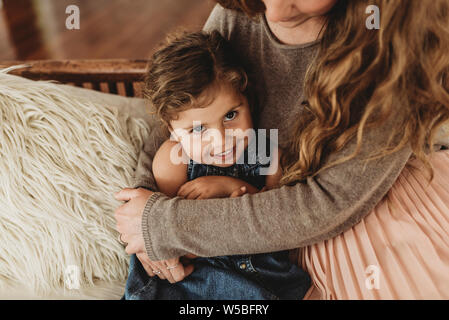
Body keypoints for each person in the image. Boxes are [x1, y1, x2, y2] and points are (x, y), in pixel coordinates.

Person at [114, 0, 449, 299]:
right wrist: (145, 210)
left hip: (342, 212)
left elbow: (325, 204)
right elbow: (177, 114)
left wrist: (171, 225)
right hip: (250, 228)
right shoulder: (238, 15)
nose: (270, 9)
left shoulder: (390, 53)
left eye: (232, 114)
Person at [122, 30, 311, 299]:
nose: (222, 140)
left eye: (231, 115)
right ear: (172, 130)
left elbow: (276, 226)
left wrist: (229, 186)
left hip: (259, 274)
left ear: (248, 101)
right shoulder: (172, 160)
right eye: (198, 129)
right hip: (192, 279)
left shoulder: (269, 154)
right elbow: (169, 240)